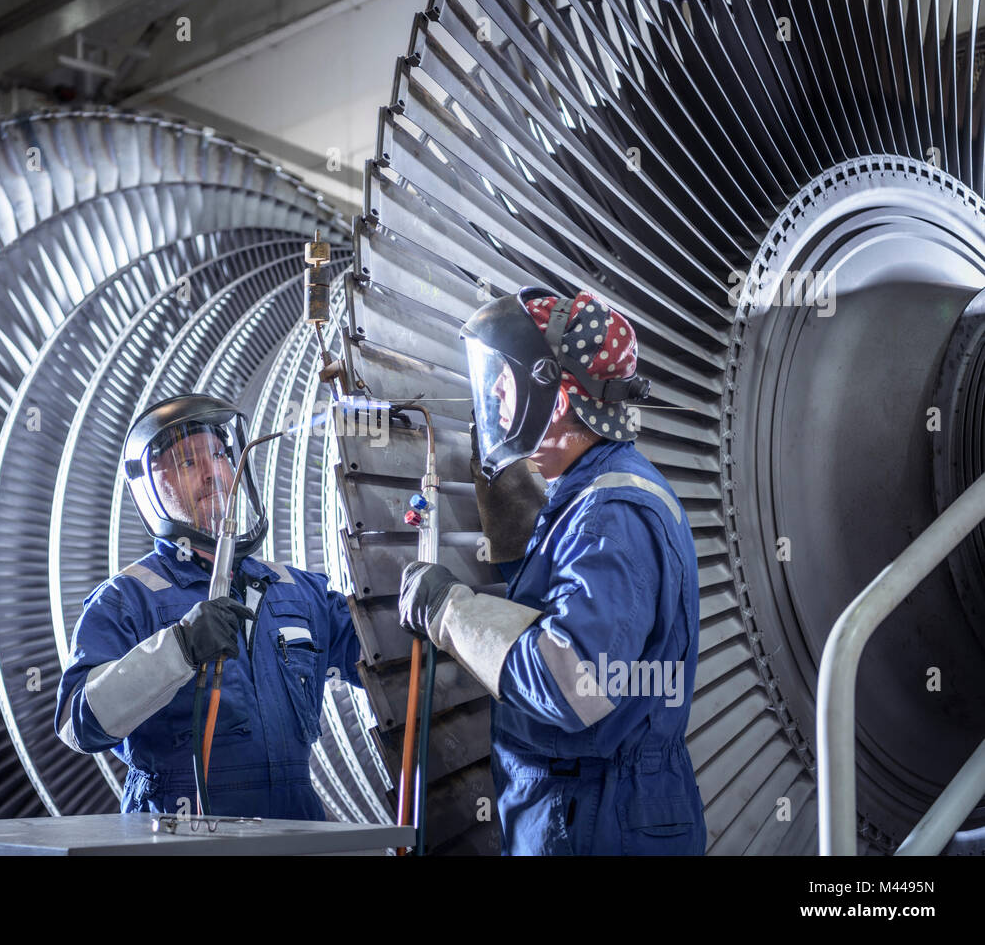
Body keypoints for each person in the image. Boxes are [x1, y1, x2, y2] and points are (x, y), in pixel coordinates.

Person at [398, 287, 707, 855]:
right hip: (587, 810)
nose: (492, 390)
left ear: (559, 397)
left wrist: (451, 612)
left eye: (506, 377)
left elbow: (574, 683)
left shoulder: (610, 514)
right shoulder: (590, 495)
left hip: (598, 820)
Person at [54, 393, 362, 820]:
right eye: (187, 462)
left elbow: (389, 662)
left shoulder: (298, 590)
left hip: (296, 827)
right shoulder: (128, 599)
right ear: (151, 488)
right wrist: (178, 649)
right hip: (177, 833)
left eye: (219, 455)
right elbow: (78, 725)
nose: (214, 474)